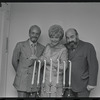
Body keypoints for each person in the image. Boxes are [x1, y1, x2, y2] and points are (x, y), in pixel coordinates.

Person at [12, 25, 45, 97]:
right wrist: (20, 73)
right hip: (22, 80)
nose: (35, 35)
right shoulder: (20, 45)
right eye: (33, 33)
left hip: (35, 80)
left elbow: (42, 65)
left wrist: (37, 60)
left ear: (39, 35)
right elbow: (14, 61)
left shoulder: (43, 48)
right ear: (29, 33)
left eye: (37, 34)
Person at [64, 28, 99, 97]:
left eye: (72, 37)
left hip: (83, 84)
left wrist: (92, 83)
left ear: (77, 35)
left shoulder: (88, 47)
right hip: (67, 85)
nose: (70, 40)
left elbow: (93, 65)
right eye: (67, 38)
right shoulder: (64, 48)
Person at [40, 25, 68, 97]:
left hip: (56, 80)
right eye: (52, 37)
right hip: (45, 78)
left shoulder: (63, 49)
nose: (53, 39)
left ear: (60, 38)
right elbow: (43, 58)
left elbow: (64, 66)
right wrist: (38, 59)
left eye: (56, 37)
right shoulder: (48, 46)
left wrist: (50, 62)